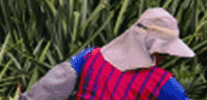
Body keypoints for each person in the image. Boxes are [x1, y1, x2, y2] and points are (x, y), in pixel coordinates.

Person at [19, 7, 195, 100]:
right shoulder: (160, 81)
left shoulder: (89, 57)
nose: (164, 58)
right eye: (163, 53)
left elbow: (49, 89)